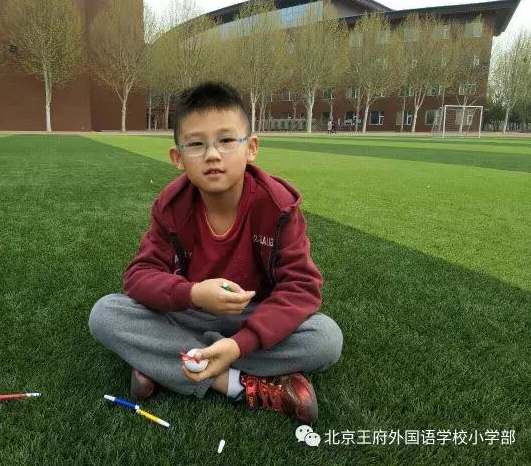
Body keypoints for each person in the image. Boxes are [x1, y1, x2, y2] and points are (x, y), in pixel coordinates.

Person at [89, 81, 343, 424]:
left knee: (326, 339)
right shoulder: (171, 206)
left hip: (255, 317)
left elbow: (301, 289)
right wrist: (193, 293)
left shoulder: (278, 206)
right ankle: (235, 384)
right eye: (196, 144)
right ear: (178, 158)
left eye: (226, 140)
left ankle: (167, 361)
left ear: (251, 148)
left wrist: (240, 343)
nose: (212, 154)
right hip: (190, 313)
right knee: (105, 313)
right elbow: (138, 277)